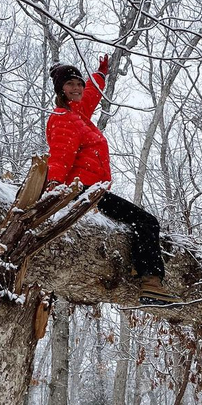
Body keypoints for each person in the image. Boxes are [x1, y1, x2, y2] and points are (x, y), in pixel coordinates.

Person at [46, 55, 177, 305]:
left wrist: (100, 75)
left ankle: (144, 275)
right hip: (83, 191)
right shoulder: (64, 119)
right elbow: (59, 158)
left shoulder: (78, 115)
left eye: (79, 83)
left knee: (139, 223)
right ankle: (151, 282)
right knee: (146, 222)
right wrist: (55, 188)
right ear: (60, 89)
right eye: (70, 84)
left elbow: (91, 97)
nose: (76, 88)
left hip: (93, 190)